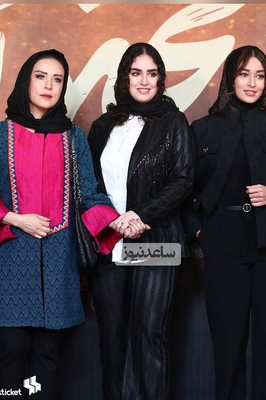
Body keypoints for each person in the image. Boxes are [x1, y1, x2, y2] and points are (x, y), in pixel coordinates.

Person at [0, 49, 121, 399]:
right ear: (25, 81)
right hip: (7, 262)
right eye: (41, 76)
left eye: (57, 79)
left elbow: (89, 195)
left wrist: (118, 223)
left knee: (47, 354)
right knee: (12, 349)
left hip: (58, 264)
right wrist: (17, 218)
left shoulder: (74, 138)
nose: (49, 85)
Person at [183, 45, 266, 400]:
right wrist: (200, 231)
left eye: (260, 75)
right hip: (222, 245)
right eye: (244, 74)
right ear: (230, 78)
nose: (252, 83)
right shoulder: (202, 130)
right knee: (228, 345)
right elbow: (184, 190)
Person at [87, 42, 194, 400]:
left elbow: (183, 179)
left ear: (161, 79)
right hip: (109, 242)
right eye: (136, 73)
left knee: (149, 335)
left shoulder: (173, 121)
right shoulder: (103, 125)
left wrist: (140, 214)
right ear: (124, 78)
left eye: (152, 74)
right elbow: (89, 185)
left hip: (157, 241)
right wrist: (112, 220)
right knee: (112, 337)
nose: (144, 81)